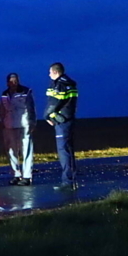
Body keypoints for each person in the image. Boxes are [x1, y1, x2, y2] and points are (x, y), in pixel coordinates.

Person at [45, 62, 78, 190]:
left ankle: (67, 182)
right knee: (69, 149)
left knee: (63, 150)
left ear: (55, 72)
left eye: (50, 72)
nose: (49, 75)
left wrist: (48, 116)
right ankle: (71, 179)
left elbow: (54, 103)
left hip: (61, 121)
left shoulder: (60, 84)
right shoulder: (70, 83)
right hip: (68, 119)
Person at [0, 73, 36, 185]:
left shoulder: (26, 91)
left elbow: (31, 107)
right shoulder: (4, 94)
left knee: (26, 150)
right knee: (11, 151)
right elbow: (1, 109)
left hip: (24, 124)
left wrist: (32, 122)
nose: (13, 83)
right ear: (7, 82)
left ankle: (27, 176)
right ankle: (16, 174)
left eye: (15, 80)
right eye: (11, 81)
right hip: (9, 125)